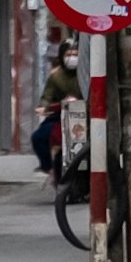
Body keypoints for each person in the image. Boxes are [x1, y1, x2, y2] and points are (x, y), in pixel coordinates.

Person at [33, 47, 83, 177]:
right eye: (68, 54)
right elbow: (46, 97)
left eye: (75, 54)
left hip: (85, 116)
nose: (72, 58)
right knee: (38, 137)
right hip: (60, 116)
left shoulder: (86, 74)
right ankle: (49, 168)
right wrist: (43, 107)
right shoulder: (55, 77)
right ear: (62, 56)